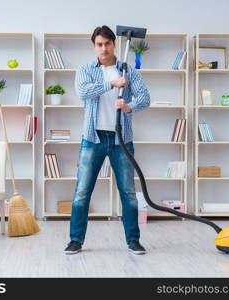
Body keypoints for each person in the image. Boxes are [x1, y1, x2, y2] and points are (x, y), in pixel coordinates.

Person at [64, 25, 151, 255]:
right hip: (93, 138)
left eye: (107, 43)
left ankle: (133, 241)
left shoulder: (128, 71)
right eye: (99, 44)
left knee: (128, 192)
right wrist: (111, 84)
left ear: (114, 44)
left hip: (121, 138)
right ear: (94, 47)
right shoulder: (85, 70)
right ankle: (75, 240)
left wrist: (128, 106)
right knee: (82, 191)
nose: (103, 48)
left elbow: (145, 97)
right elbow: (83, 92)